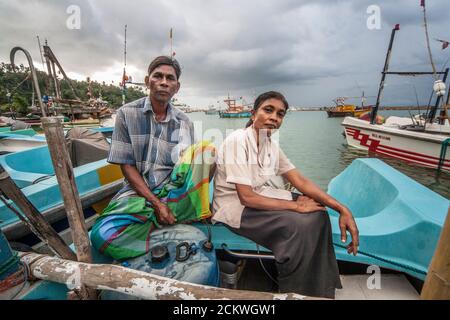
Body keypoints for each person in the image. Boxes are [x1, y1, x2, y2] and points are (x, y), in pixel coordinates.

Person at [212, 91, 359, 299]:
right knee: (301, 225)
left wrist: (342, 208)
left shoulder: (270, 144)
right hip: (234, 208)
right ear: (254, 114)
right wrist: (296, 206)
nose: (274, 117)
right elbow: (246, 197)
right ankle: (296, 291)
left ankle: (320, 286)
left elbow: (299, 180)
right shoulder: (238, 140)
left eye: (280, 114)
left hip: (259, 197)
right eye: (268, 110)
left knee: (318, 212)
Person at [91, 56, 215, 260]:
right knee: (102, 236)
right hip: (139, 191)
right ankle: (166, 227)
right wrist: (157, 204)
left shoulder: (184, 122)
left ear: (177, 87)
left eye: (170, 78)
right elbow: (127, 166)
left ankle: (170, 215)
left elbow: (188, 164)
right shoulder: (126, 114)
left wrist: (180, 194)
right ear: (148, 81)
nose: (164, 82)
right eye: (158, 76)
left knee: (206, 151)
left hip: (173, 190)